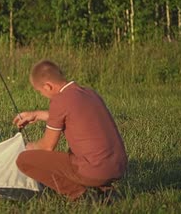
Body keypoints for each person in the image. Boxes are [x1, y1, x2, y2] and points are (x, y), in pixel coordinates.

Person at [13, 60, 127, 201]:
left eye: (39, 91)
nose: (41, 94)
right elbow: (73, 116)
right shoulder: (89, 93)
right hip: (118, 167)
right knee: (72, 153)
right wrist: (36, 114)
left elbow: (47, 147)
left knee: (24, 160)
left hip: (94, 171)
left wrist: (30, 147)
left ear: (48, 86)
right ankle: (103, 189)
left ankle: (82, 194)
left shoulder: (59, 101)